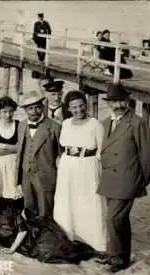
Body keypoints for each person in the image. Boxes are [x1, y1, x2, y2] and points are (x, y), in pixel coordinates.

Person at [96, 84, 150, 273]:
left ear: (128, 101)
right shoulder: (104, 123)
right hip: (109, 179)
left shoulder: (137, 123)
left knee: (113, 218)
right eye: (113, 102)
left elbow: (146, 155)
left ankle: (117, 259)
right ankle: (119, 254)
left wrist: (142, 180)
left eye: (121, 101)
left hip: (128, 179)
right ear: (109, 103)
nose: (118, 105)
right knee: (119, 219)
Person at [53, 91, 108, 254]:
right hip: (68, 166)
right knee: (68, 201)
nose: (79, 110)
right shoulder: (66, 124)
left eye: (81, 105)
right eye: (74, 107)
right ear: (68, 109)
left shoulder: (95, 125)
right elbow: (62, 146)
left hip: (88, 166)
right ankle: (71, 238)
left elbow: (101, 150)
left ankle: (95, 243)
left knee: (90, 202)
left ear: (86, 104)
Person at [0, 190, 96, 263]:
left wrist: (12, 249)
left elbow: (22, 231)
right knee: (50, 255)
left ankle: (90, 252)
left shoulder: (9, 212)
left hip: (32, 233)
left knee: (59, 248)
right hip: (25, 246)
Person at [15, 90, 61, 221]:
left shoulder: (54, 127)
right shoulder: (22, 125)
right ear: (25, 110)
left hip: (46, 175)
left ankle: (46, 238)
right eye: (30, 108)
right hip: (25, 175)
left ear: (42, 107)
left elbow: (61, 154)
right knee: (29, 208)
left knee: (45, 210)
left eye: (37, 107)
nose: (34, 111)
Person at [0, 96, 23, 210]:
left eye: (11, 111)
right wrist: (14, 148)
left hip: (14, 166)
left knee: (15, 195)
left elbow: (22, 147)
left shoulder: (19, 124)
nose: (8, 115)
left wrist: (5, 146)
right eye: (4, 112)